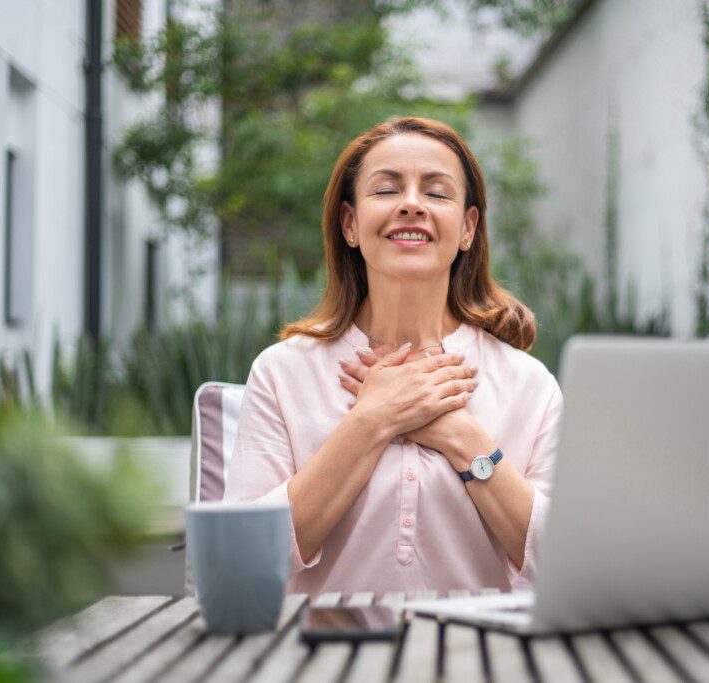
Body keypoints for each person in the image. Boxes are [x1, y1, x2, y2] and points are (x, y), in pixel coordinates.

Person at [223, 116, 562, 596]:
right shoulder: (283, 372)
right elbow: (237, 565)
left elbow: (569, 565)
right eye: (386, 190)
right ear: (350, 224)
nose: (411, 205)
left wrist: (460, 436)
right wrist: (373, 421)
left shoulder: (530, 385)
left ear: (467, 229)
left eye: (437, 193)